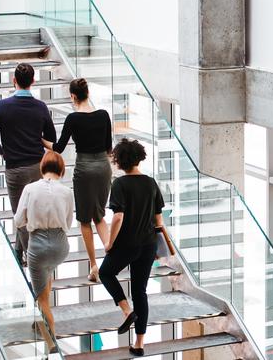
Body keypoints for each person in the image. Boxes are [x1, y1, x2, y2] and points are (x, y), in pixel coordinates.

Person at [0, 63, 56, 266]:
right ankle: (20, 250)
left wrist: (4, 152)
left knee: (20, 215)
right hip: (37, 167)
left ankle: (31, 258)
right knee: (34, 211)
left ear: (13, 81)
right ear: (33, 81)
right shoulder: (41, 107)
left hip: (14, 169)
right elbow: (51, 137)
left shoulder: (1, 106)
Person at [99, 139, 165, 357]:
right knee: (140, 291)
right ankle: (139, 344)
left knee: (106, 273)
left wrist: (109, 243)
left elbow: (118, 217)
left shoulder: (119, 184)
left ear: (119, 161)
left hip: (127, 244)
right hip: (147, 245)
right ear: (139, 157)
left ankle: (127, 311)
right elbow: (159, 221)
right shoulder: (151, 183)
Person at [42, 78, 112, 282]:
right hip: (103, 168)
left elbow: (59, 147)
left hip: (84, 169)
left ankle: (93, 266)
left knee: (84, 219)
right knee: (100, 216)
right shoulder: (103, 115)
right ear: (88, 92)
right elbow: (108, 146)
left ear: (73, 96)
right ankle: (111, 257)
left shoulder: (73, 119)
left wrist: (40, 140)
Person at [14, 151, 73, 352]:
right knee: (47, 275)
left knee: (42, 299)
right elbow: (68, 222)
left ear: (42, 168)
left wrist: (32, 219)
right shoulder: (67, 192)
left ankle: (51, 343)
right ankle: (39, 322)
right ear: (61, 169)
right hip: (60, 246)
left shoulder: (30, 189)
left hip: (38, 245)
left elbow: (18, 221)